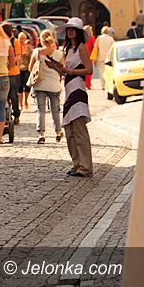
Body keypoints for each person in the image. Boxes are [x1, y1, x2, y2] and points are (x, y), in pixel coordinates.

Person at [47, 17, 93, 177]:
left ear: (78, 32)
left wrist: (71, 71)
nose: (71, 31)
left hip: (78, 90)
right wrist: (54, 66)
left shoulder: (82, 48)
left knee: (79, 130)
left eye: (74, 29)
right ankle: (77, 164)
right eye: (69, 29)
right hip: (69, 90)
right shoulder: (69, 49)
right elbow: (65, 71)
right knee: (70, 131)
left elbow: (89, 70)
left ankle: (85, 167)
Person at [29, 30, 64, 144]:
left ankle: (42, 135)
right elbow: (62, 69)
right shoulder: (59, 54)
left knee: (41, 110)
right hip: (54, 85)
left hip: (40, 85)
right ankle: (58, 132)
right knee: (55, 110)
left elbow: (30, 68)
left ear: (41, 40)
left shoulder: (37, 52)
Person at [2, 24, 21, 125]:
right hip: (2, 72)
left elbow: (18, 56)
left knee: (13, 96)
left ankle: (16, 114)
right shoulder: (1, 42)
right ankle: (5, 116)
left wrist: (10, 63)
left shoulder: (15, 41)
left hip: (13, 73)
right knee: (3, 96)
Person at [17, 32, 32, 110]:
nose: (21, 40)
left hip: (27, 68)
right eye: (20, 38)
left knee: (27, 86)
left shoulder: (28, 48)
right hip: (18, 69)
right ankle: (20, 104)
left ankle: (26, 100)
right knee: (19, 86)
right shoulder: (16, 47)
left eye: (23, 38)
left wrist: (30, 67)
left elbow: (31, 58)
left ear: (25, 39)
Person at [83, 25, 96, 89]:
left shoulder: (81, 38)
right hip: (89, 56)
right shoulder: (92, 38)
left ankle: (84, 83)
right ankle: (88, 84)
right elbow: (95, 48)